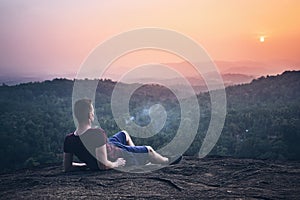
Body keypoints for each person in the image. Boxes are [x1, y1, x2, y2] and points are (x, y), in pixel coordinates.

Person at [63, 98, 171, 172]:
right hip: (118, 155)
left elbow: (67, 167)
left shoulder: (69, 139)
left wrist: (86, 165)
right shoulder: (96, 133)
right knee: (149, 150)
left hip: (109, 146)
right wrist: (116, 164)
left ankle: (138, 159)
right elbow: (103, 165)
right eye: (92, 111)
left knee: (124, 134)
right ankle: (167, 161)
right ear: (89, 115)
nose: (93, 114)